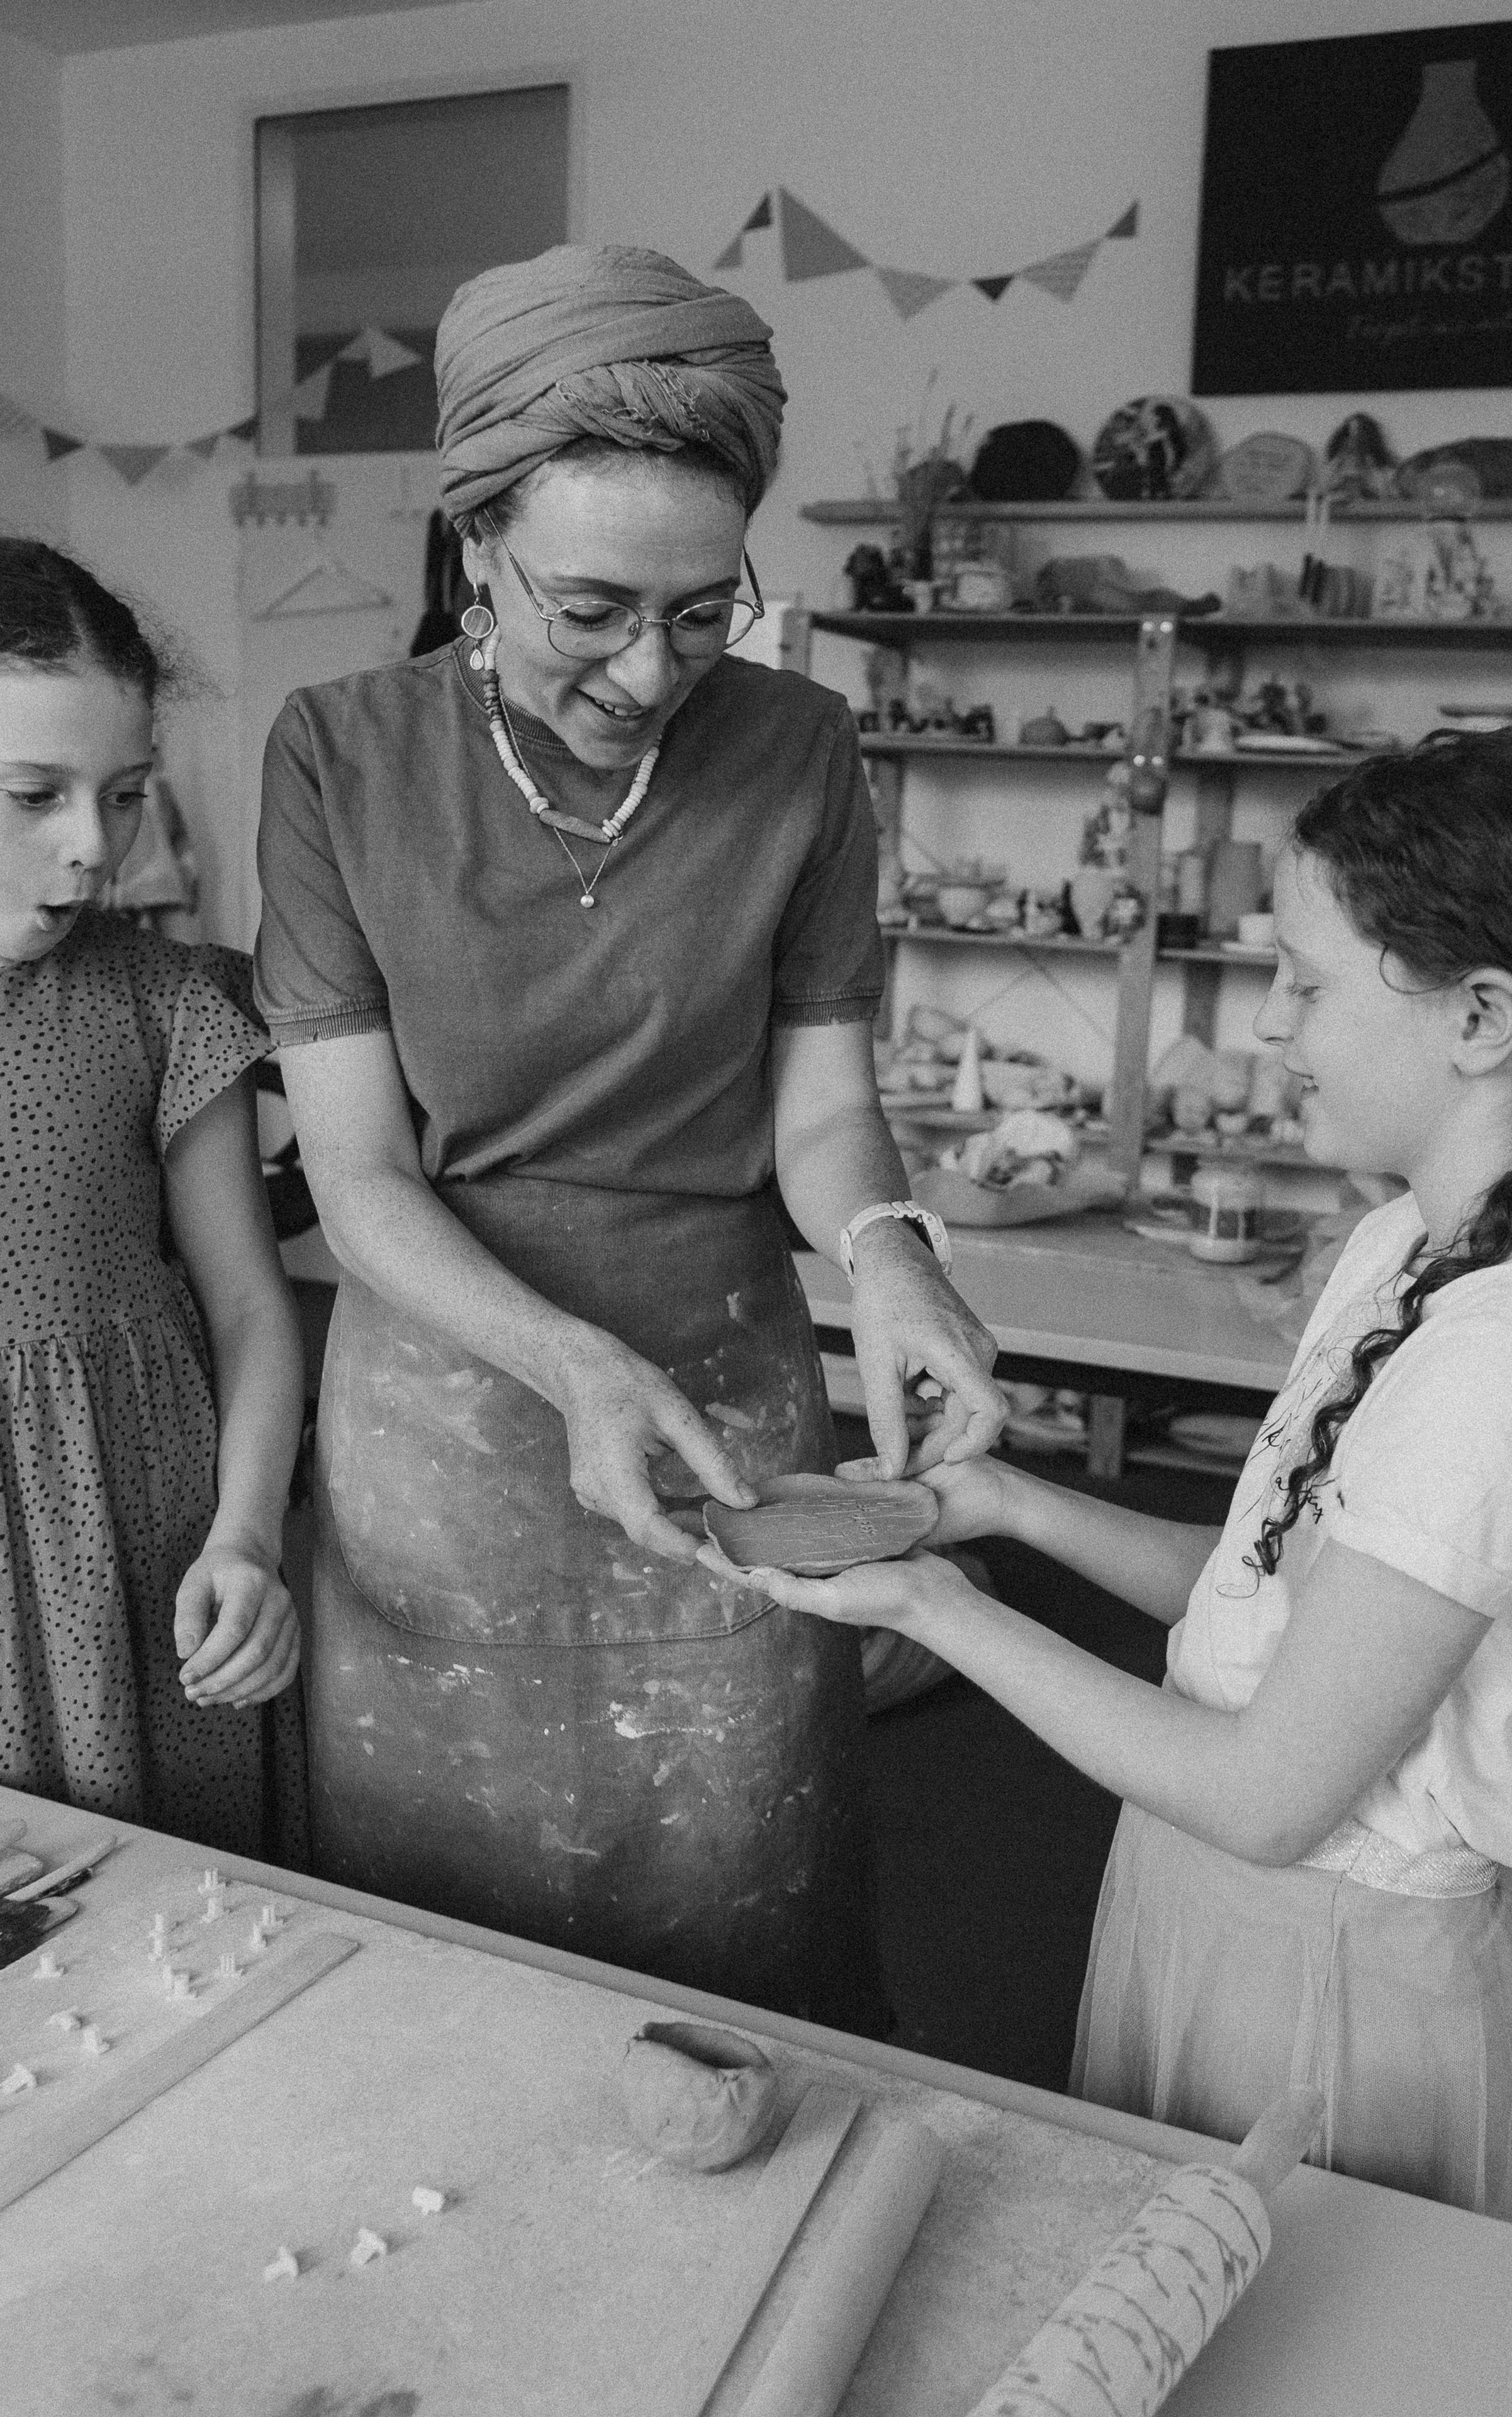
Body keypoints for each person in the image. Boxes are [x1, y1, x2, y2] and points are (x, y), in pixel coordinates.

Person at [724, 726, 1512, 2411]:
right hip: (1224, 1917)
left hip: (1336, 1971)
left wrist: (930, 1604)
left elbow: (1277, 1787)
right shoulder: (1404, 1238)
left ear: (1484, 1019)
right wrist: (1018, 1509)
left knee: (1291, 2363)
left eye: (1306, 980)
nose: (1270, 1026)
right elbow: (1289, 1601)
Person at [254, 244, 1002, 2027]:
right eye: (591, 610)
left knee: (737, 1881)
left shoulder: (807, 751)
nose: (654, 669)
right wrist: (570, 1366)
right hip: (447, 1402)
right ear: (475, 555)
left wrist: (896, 1266)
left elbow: (822, 1106)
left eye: (700, 609)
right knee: (456, 1904)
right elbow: (357, 1178)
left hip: (734, 1400)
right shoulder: (340, 757)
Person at [1, 539, 305, 1854]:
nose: (93, 849)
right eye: (32, 794)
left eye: (123, 795)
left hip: (145, 1550)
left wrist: (247, 1538)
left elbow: (247, 1305)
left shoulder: (160, 1000)